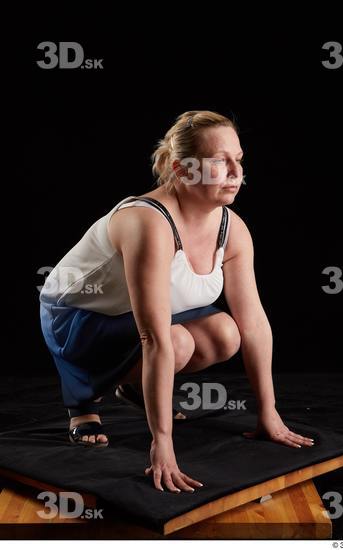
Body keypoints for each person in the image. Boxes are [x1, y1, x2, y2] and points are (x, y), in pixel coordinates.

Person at [40, 110, 314, 493]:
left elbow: (254, 323)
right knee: (177, 342)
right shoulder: (146, 222)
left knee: (225, 333)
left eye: (239, 159)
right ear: (182, 169)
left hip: (138, 317)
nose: (237, 172)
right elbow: (155, 337)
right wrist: (162, 442)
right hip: (78, 321)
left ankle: (133, 386)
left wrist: (268, 413)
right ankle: (84, 401)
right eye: (219, 161)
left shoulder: (232, 228)